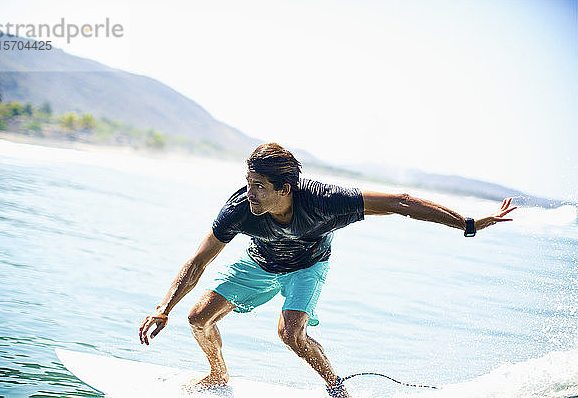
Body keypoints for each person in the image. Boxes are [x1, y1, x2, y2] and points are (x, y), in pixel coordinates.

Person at [139, 143, 516, 397]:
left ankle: (336, 388)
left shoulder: (324, 201)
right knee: (198, 318)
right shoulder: (239, 211)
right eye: (247, 184)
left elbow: (401, 202)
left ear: (285, 188)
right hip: (260, 263)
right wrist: (163, 307)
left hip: (308, 267)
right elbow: (199, 260)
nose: (248, 193)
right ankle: (218, 375)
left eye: (258, 187)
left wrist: (467, 223)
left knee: (290, 333)